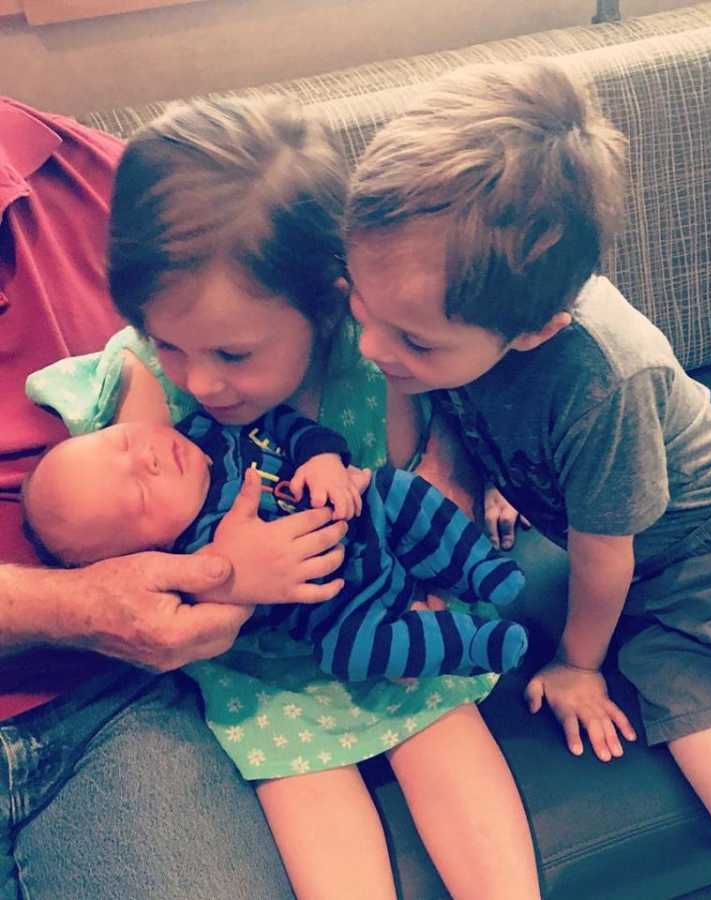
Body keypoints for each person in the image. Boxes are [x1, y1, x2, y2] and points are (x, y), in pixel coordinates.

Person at [342, 60, 711, 897]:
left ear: (535, 331)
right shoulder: (441, 328)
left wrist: (574, 666)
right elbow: (438, 443)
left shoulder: (604, 377)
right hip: (655, 608)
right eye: (361, 309)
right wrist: (455, 447)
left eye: (413, 343)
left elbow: (604, 559)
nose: (372, 352)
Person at [27, 95, 540, 899]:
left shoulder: (374, 365)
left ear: (329, 304)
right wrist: (218, 551)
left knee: (448, 739)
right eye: (168, 341)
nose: (200, 381)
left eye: (234, 352)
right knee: (310, 798)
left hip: (392, 616)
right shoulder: (148, 389)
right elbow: (81, 466)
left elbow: (455, 431)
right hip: (263, 671)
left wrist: (470, 492)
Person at [0, 96, 323, 899]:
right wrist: (69, 603)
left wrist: (457, 462)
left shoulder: (116, 188)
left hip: (110, 705)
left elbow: (443, 293)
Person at [22, 406, 529, 679]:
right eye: (137, 493)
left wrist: (323, 460)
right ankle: (471, 644)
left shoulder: (215, 428)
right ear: (139, 555)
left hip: (369, 514)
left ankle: (480, 568)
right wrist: (233, 577)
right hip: (345, 610)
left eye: (122, 442)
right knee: (349, 655)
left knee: (397, 488)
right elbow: (213, 623)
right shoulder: (190, 559)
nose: (147, 459)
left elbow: (289, 426)